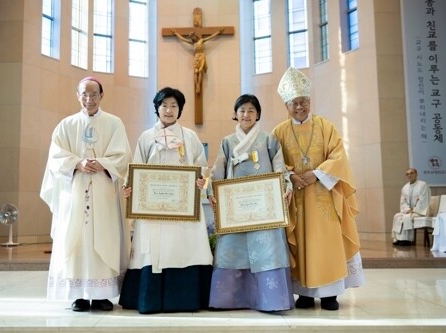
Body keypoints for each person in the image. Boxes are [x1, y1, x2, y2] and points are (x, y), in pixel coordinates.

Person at [272, 67, 365, 311]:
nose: (299, 107)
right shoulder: (279, 132)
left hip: (324, 195)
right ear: (287, 105)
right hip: (296, 198)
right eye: (294, 103)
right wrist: (290, 175)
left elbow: (338, 155)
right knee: (301, 244)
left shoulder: (325, 126)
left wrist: (316, 174)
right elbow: (274, 160)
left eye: (303, 102)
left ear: (309, 101)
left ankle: (329, 295)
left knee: (326, 243)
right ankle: (303, 293)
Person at [40, 77, 133, 312]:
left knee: (103, 237)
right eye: (84, 94)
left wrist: (102, 163)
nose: (89, 99)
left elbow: (123, 156)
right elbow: (55, 156)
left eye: (93, 94)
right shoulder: (66, 125)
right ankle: (78, 295)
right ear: (77, 95)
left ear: (102, 96)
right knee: (77, 240)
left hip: (103, 193)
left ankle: (102, 295)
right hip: (74, 194)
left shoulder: (114, 123)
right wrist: (77, 163)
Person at [118, 87, 213, 314]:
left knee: (184, 247)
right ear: (157, 109)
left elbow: (201, 165)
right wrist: (130, 185)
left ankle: (185, 299)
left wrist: (200, 179)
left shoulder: (189, 136)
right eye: (164, 105)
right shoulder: (146, 137)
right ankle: (149, 298)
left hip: (183, 208)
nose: (168, 110)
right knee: (153, 250)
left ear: (180, 109)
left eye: (173, 106)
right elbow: (136, 167)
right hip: (152, 209)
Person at [207, 94, 295, 312]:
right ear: (235, 114)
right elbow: (218, 170)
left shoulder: (268, 140)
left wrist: (285, 187)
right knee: (231, 249)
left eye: (251, 111)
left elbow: (279, 166)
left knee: (267, 249)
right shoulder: (228, 142)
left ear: (258, 115)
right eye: (242, 110)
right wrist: (212, 189)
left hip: (264, 206)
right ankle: (228, 300)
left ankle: (270, 300)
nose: (246, 115)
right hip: (235, 208)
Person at [171, 28, 224, 94]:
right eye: (191, 37)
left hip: (201, 56)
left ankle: (199, 84)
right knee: (196, 72)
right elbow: (182, 39)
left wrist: (218, 32)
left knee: (200, 71)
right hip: (196, 58)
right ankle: (197, 86)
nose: (192, 38)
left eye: (192, 36)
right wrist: (176, 34)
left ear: (194, 36)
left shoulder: (201, 41)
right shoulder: (192, 43)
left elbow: (211, 37)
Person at [391, 168, 431, 246]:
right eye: (407, 174)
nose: (409, 175)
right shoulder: (405, 187)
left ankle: (407, 240)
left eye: (411, 173)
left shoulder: (423, 185)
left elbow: (424, 200)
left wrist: (415, 209)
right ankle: (399, 239)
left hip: (420, 211)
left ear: (416, 174)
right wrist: (408, 209)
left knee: (407, 217)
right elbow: (403, 201)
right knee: (397, 216)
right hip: (409, 211)